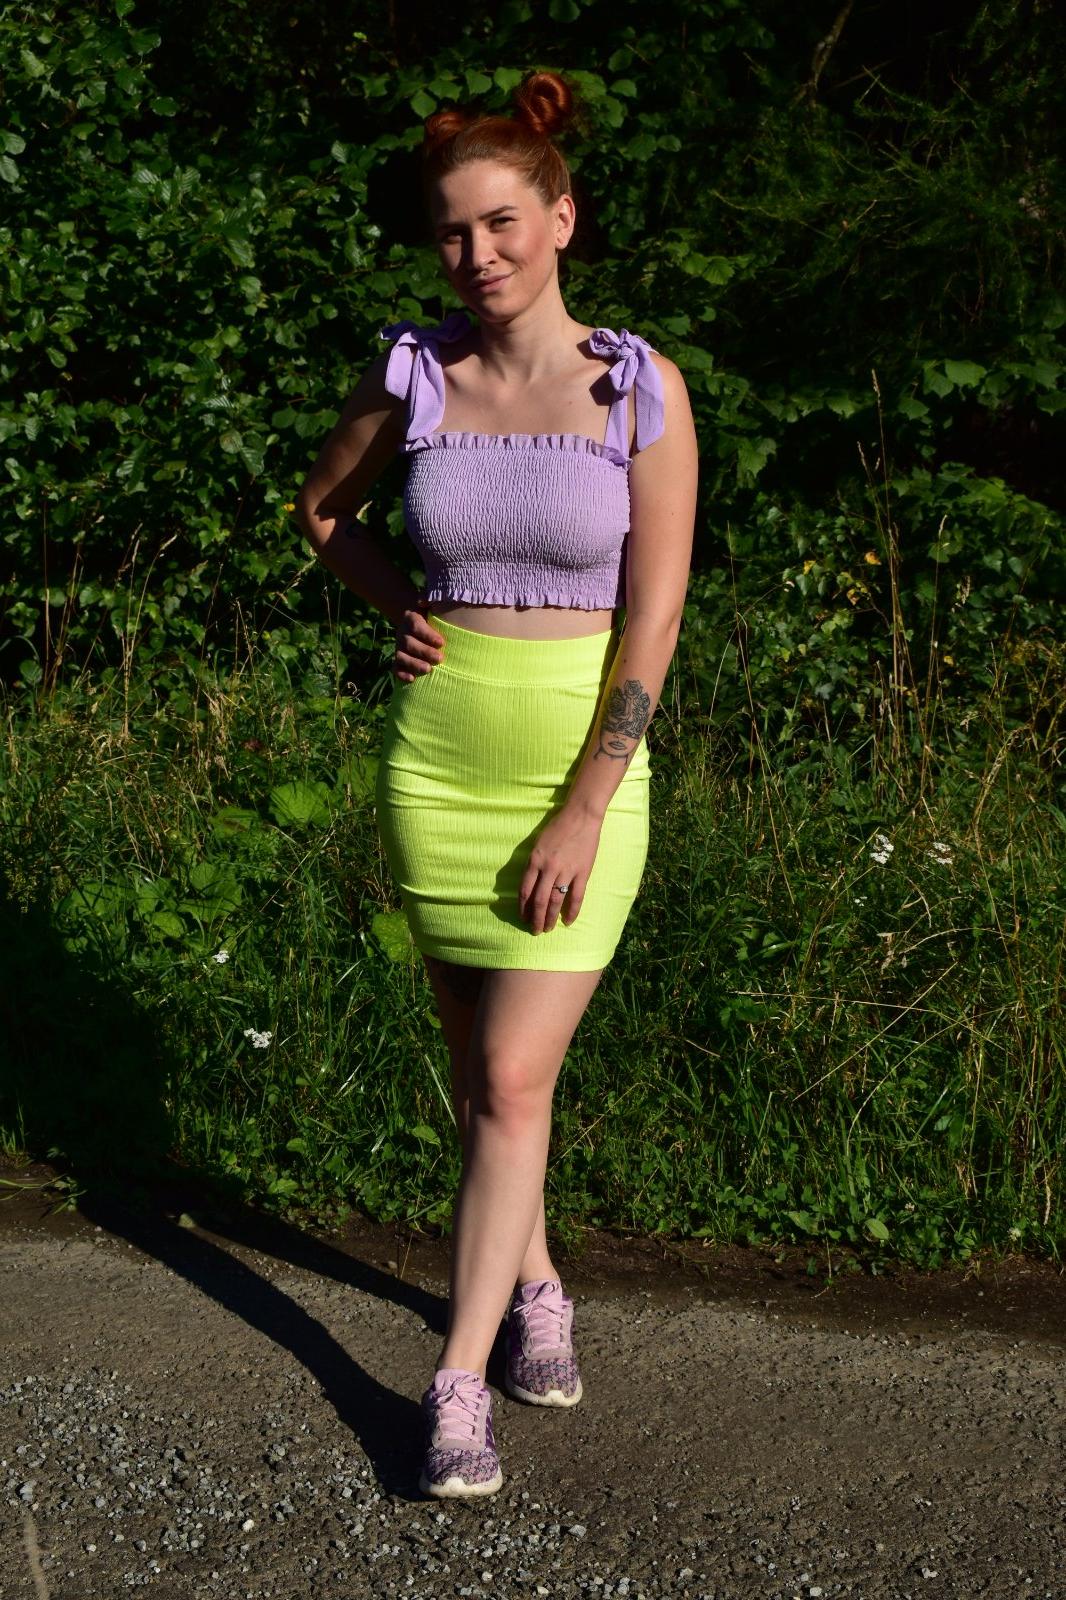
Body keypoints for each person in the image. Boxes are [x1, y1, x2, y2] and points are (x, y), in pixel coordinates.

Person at [296, 68, 697, 1499]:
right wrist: (393, 599)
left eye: (502, 222)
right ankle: (535, 1291)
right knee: (482, 1078)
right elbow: (322, 510)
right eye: (453, 231)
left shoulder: (638, 387)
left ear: (561, 218)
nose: (477, 253)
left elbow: (654, 615)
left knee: (515, 1075)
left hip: (579, 770)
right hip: (440, 758)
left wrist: (587, 803)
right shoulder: (417, 374)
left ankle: (453, 1385)